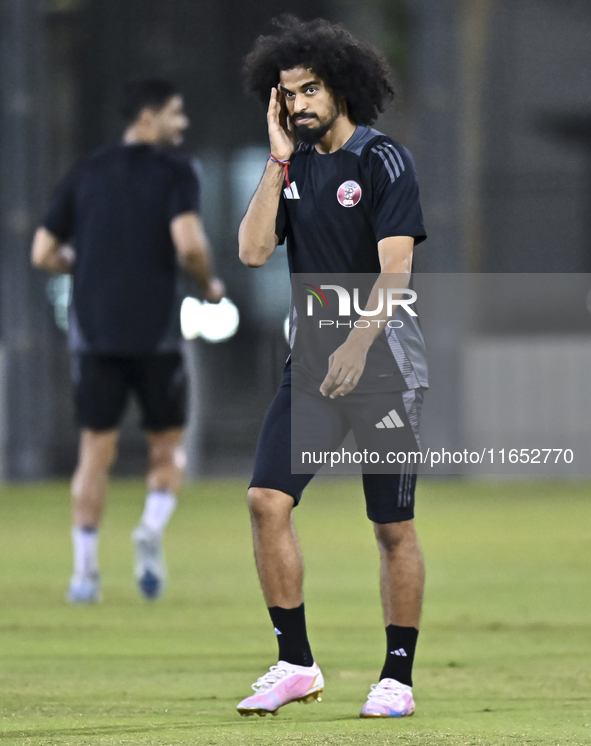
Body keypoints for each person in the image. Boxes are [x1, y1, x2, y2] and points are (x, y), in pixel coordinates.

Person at [237, 17, 428, 719]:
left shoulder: (382, 161)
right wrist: (275, 161)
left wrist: (355, 344)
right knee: (265, 501)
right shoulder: (295, 167)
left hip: (382, 371)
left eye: (309, 89)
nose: (298, 105)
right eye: (286, 95)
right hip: (310, 371)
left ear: (340, 86)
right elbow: (253, 252)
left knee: (390, 527)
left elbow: (396, 270)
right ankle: (295, 664)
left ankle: (396, 678)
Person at [31, 78, 224, 604]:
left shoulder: (86, 172)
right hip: (156, 336)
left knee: (95, 450)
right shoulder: (177, 173)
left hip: (95, 335)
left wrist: (79, 262)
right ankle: (151, 528)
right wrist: (208, 286)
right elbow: (189, 244)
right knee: (168, 447)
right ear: (147, 117)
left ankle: (85, 573)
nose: (181, 125)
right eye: (174, 114)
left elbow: (43, 251)